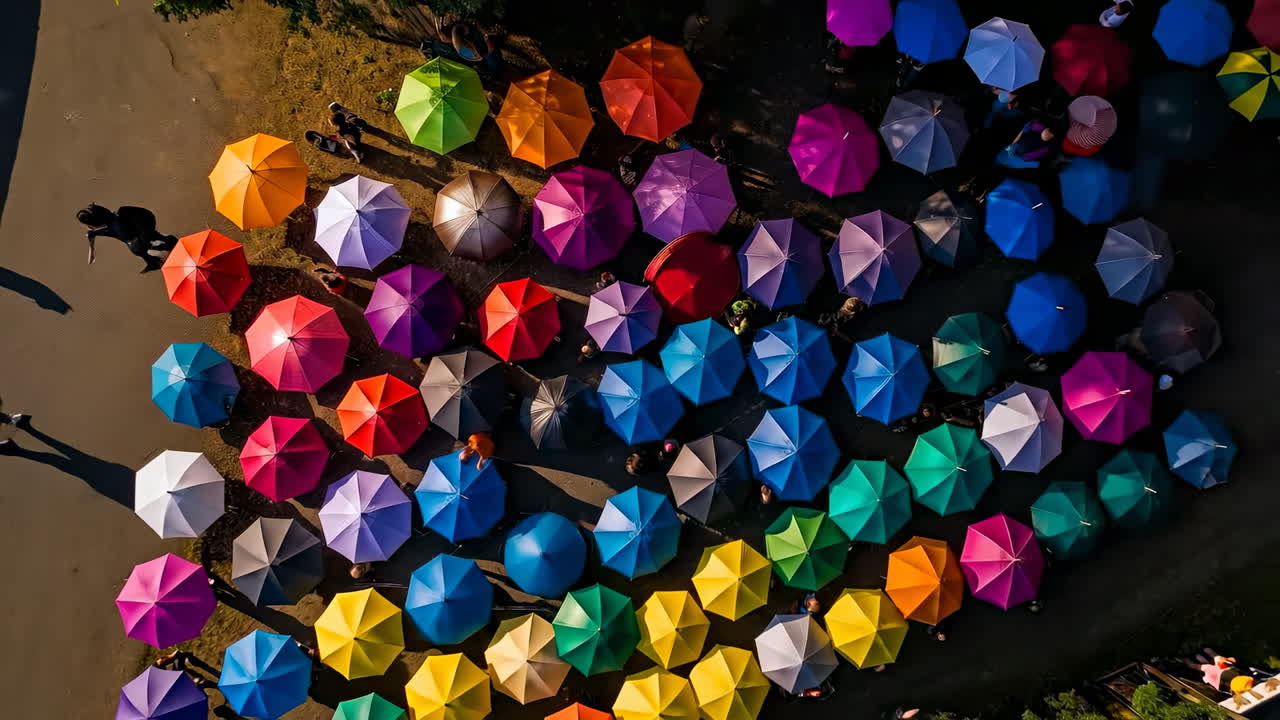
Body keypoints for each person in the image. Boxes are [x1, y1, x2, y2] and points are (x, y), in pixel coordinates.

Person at [76, 203, 178, 272]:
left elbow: (91, 234)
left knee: (147, 249)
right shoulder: (121, 213)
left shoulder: (110, 227)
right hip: (140, 238)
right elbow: (145, 215)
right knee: (157, 243)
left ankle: (157, 258)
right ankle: (161, 255)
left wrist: (92, 251)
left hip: (136, 243)